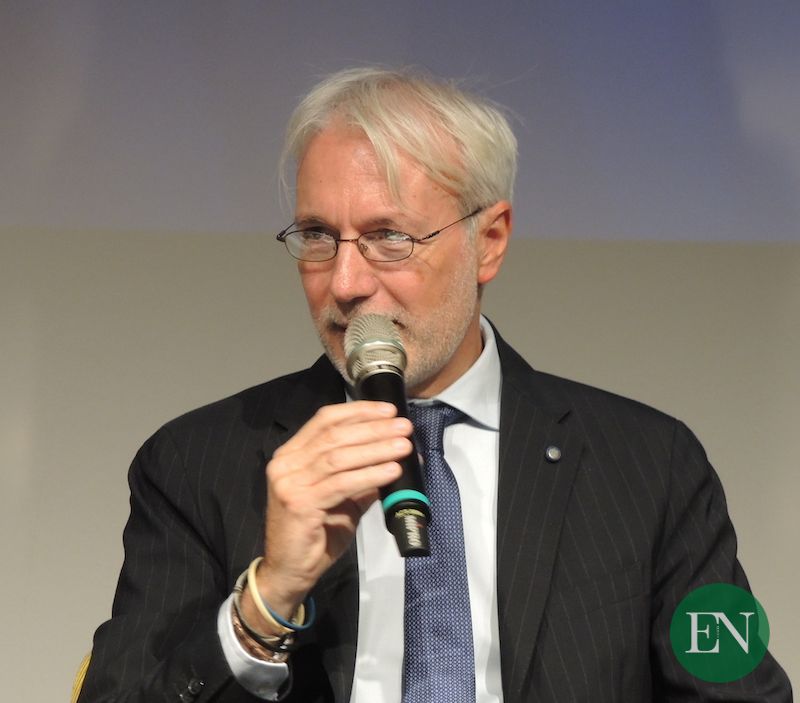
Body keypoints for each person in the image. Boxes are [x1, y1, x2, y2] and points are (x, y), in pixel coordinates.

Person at [78, 67, 792, 702]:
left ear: (490, 241)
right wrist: (267, 600)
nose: (346, 283)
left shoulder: (649, 465)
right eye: (318, 236)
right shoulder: (197, 463)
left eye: (390, 237)